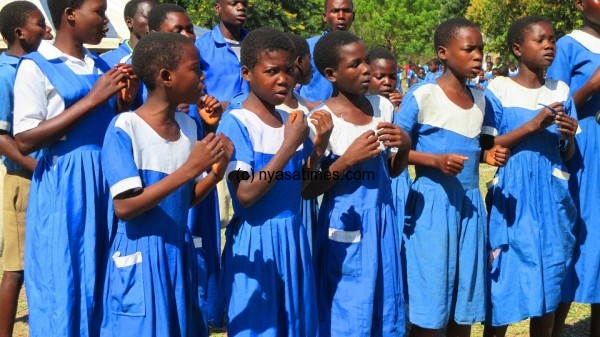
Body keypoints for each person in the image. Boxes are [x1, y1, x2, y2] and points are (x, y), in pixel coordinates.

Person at [12, 0, 138, 335]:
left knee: (103, 269)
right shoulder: (36, 65)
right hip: (66, 184)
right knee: (65, 270)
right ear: (70, 14)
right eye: (98, 12)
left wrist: (121, 104)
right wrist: (93, 99)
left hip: (107, 178)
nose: (105, 23)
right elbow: (24, 139)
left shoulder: (99, 65)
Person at [100, 32, 232, 337]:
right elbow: (125, 207)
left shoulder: (189, 126)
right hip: (141, 255)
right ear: (166, 77)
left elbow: (185, 199)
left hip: (179, 249)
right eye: (196, 69)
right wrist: (189, 170)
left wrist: (215, 172)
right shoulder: (126, 127)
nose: (203, 76)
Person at [396, 18, 509, 337]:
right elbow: (393, 152)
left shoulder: (482, 99)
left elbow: (482, 147)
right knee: (432, 300)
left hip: (470, 208)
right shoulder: (422, 95)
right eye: (469, 49)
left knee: (466, 299)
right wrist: (433, 160)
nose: (478, 56)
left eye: (481, 50)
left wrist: (491, 155)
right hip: (432, 206)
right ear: (443, 52)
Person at [217, 27, 328, 336]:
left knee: (294, 322)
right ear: (247, 73)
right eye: (271, 71)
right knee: (259, 325)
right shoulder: (237, 122)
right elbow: (246, 194)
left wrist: (317, 147)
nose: (283, 78)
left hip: (292, 235)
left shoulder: (287, 121)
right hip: (257, 241)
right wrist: (288, 145)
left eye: (289, 70)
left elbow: (300, 186)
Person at [305, 31, 410, 337]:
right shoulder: (321, 121)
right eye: (355, 64)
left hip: (382, 218)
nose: (366, 69)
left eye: (366, 62)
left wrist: (404, 145)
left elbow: (391, 172)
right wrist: (346, 160)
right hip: (344, 223)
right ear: (331, 74)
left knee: (384, 297)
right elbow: (308, 189)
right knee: (347, 303)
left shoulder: (382, 108)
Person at [482, 16, 578, 337]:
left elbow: (567, 153)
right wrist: (532, 126)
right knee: (504, 284)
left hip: (551, 197)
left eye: (552, 39)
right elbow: (486, 146)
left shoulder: (561, 90)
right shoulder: (498, 89)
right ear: (517, 49)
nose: (549, 45)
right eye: (541, 40)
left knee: (549, 286)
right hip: (512, 197)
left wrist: (569, 136)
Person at [147, 3, 225, 326]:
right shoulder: (138, 78)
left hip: (194, 180)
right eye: (177, 29)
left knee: (198, 247)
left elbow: (197, 139)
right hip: (158, 187)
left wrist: (209, 126)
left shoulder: (195, 74)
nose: (187, 34)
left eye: (189, 28)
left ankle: (203, 313)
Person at [547, 0, 600, 335]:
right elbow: (553, 108)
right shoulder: (566, 47)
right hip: (584, 152)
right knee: (578, 234)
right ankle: (552, 327)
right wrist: (592, 86)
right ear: (580, 3)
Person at [0, 3, 52, 336]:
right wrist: (40, 169)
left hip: (46, 176)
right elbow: (2, 137)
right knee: (16, 268)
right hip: (24, 179)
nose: (47, 30)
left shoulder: (38, 67)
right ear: (20, 32)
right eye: (39, 24)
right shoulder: (7, 71)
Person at [276, 32, 320, 253]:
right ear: (300, 62)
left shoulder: (300, 101)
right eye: (309, 59)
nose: (312, 66)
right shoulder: (280, 110)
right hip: (287, 199)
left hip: (304, 195)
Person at [367, 46, 413, 242]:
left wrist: (401, 109)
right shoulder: (364, 108)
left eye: (392, 77)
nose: (387, 82)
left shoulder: (401, 105)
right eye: (380, 77)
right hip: (377, 179)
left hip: (399, 178)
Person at [196, 0, 249, 109]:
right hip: (215, 122)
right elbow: (191, 88)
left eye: (245, 4)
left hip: (252, 120)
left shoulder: (255, 45)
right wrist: (212, 104)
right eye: (234, 3)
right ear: (218, 8)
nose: (241, 8)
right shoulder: (201, 47)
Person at [299, 0, 354, 104]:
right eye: (335, 11)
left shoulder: (358, 50)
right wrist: (309, 105)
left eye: (346, 11)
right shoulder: (307, 46)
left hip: (345, 115)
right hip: (312, 114)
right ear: (325, 16)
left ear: (353, 16)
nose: (341, 16)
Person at [100, 0, 155, 65]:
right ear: (129, 22)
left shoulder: (166, 57)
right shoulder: (105, 61)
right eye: (149, 17)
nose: (155, 23)